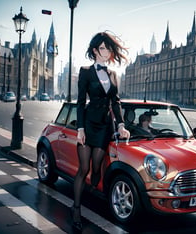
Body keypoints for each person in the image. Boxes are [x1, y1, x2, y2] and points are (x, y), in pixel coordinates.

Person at [72, 32, 130, 231]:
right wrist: (80, 128)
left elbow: (116, 101)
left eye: (109, 48)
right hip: (88, 124)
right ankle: (76, 209)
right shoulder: (85, 71)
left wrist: (121, 125)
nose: (108, 52)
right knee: (84, 169)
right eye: (104, 48)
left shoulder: (113, 74)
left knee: (97, 168)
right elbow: (80, 102)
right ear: (95, 50)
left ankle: (90, 191)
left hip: (105, 126)